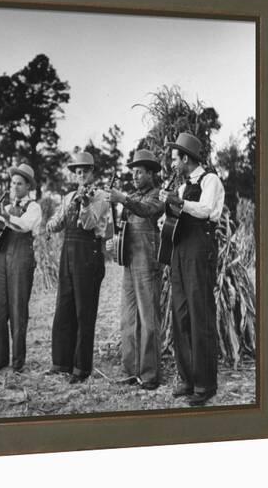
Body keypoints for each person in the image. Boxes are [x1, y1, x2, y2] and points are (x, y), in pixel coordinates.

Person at [159, 132, 225, 406]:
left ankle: (205, 384)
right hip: (179, 253)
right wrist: (165, 216)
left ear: (185, 158)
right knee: (181, 315)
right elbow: (172, 218)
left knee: (201, 315)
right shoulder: (183, 185)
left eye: (175, 159)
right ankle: (187, 379)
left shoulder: (211, 181)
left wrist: (179, 203)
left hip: (199, 252)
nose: (173, 164)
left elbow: (208, 210)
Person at [46, 151, 110, 384]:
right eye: (78, 172)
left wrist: (83, 205)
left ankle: (81, 367)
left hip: (88, 255)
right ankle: (61, 362)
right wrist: (53, 220)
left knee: (85, 311)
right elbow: (55, 225)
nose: (81, 175)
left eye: (85, 171)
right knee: (64, 306)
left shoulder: (101, 196)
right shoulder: (69, 196)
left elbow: (90, 222)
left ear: (93, 172)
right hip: (68, 255)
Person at [106, 149, 164, 390]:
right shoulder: (131, 197)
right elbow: (124, 228)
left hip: (148, 262)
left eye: (139, 172)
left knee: (148, 318)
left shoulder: (158, 195)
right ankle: (131, 371)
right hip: (130, 261)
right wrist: (114, 242)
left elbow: (148, 211)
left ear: (151, 174)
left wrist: (123, 200)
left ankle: (150, 375)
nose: (135, 176)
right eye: (133, 172)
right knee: (128, 318)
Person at [0, 164, 42, 375]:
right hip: (1, 260)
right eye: (12, 183)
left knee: (18, 310)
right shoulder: (6, 208)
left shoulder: (34, 208)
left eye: (19, 183)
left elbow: (23, 226)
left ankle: (17, 364)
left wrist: (5, 218)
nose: (15, 187)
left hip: (21, 259)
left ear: (28, 186)